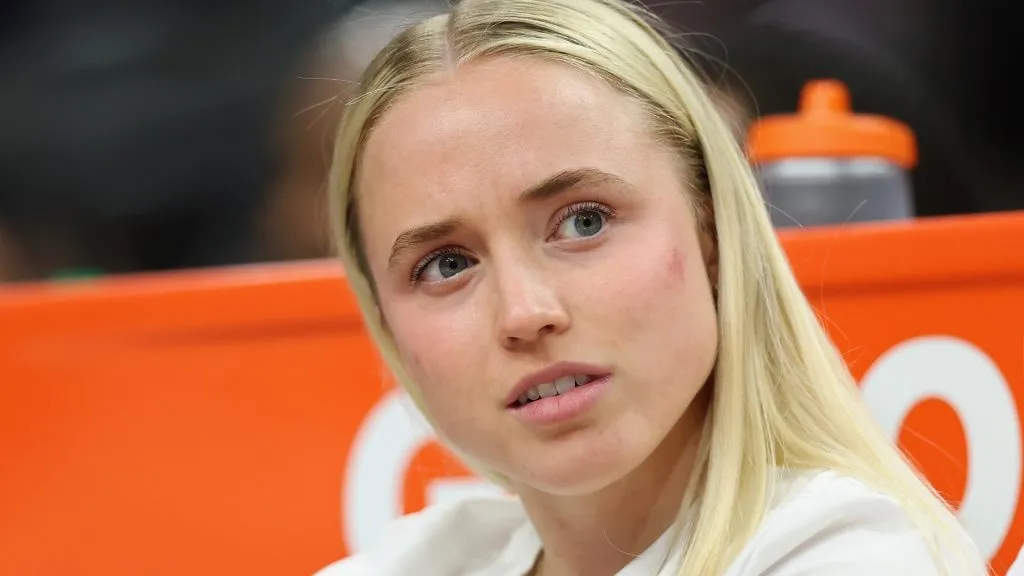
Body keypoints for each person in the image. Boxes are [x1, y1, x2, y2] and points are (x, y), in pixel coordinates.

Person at [317, 0, 986, 574]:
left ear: (713, 231)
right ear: (386, 322)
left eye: (583, 222)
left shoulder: (846, 556)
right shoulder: (414, 559)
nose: (525, 313)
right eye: (447, 265)